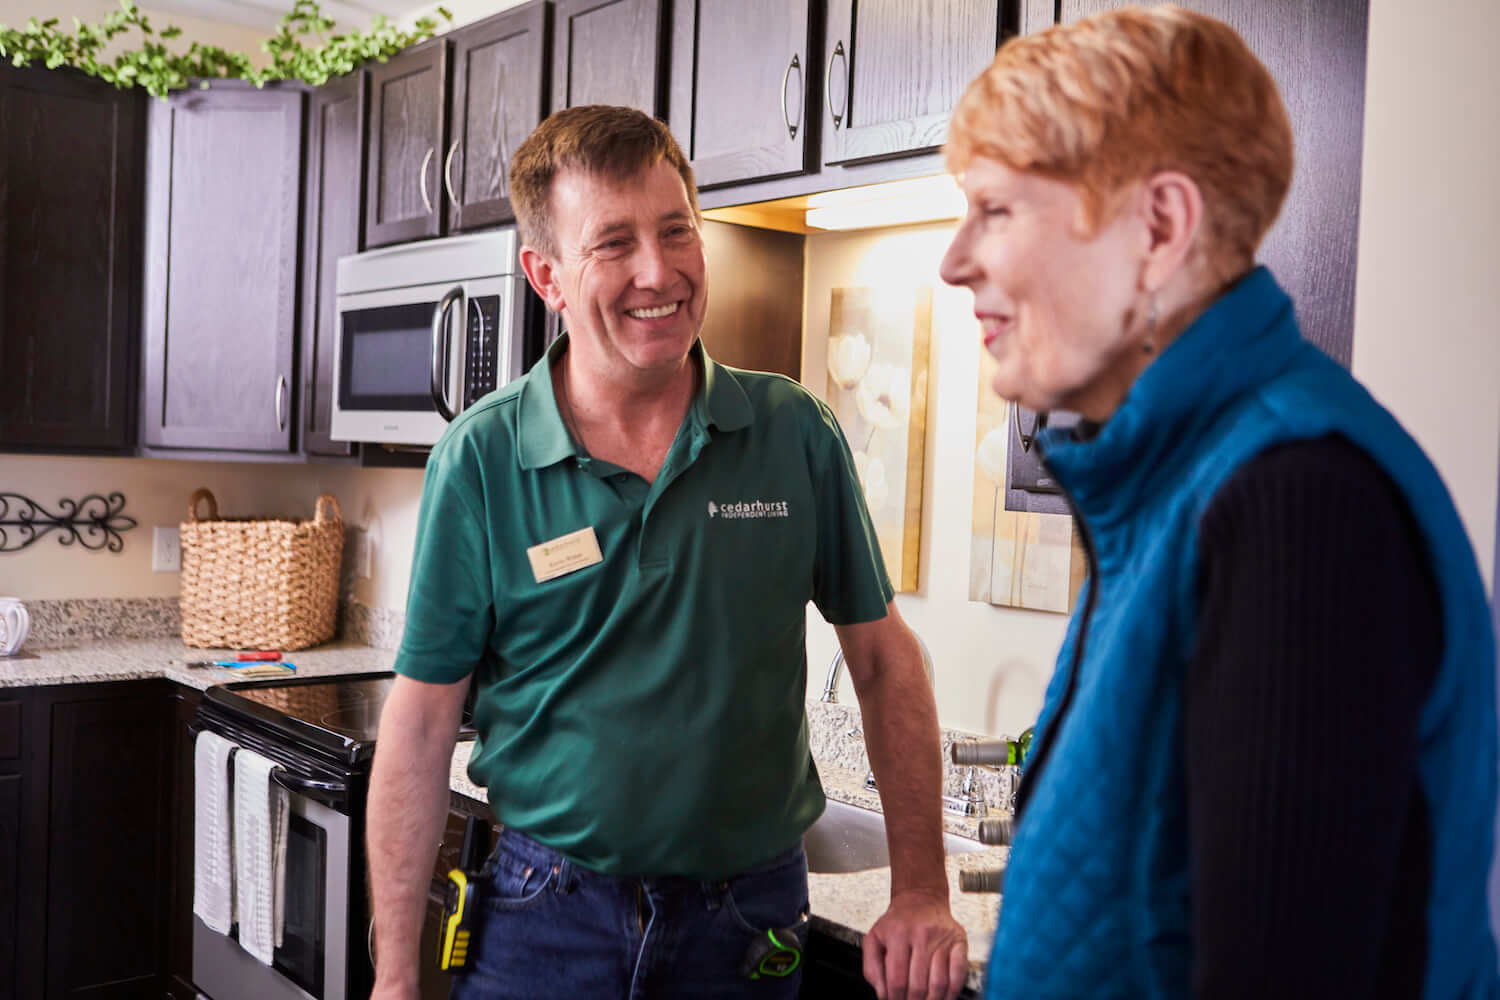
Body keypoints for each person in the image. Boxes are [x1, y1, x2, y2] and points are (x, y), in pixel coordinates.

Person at [939, 6, 1498, 998]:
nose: (956, 259)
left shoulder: (1298, 511)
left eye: (995, 210)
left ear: (1159, 228)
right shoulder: (1175, 491)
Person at [366, 104, 968, 1000]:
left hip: (749, 923)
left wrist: (921, 887)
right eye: (613, 244)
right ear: (547, 276)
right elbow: (418, 726)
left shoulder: (792, 431)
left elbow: (882, 662)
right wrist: (395, 977)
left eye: (677, 229)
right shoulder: (483, 457)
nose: (660, 271)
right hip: (544, 919)